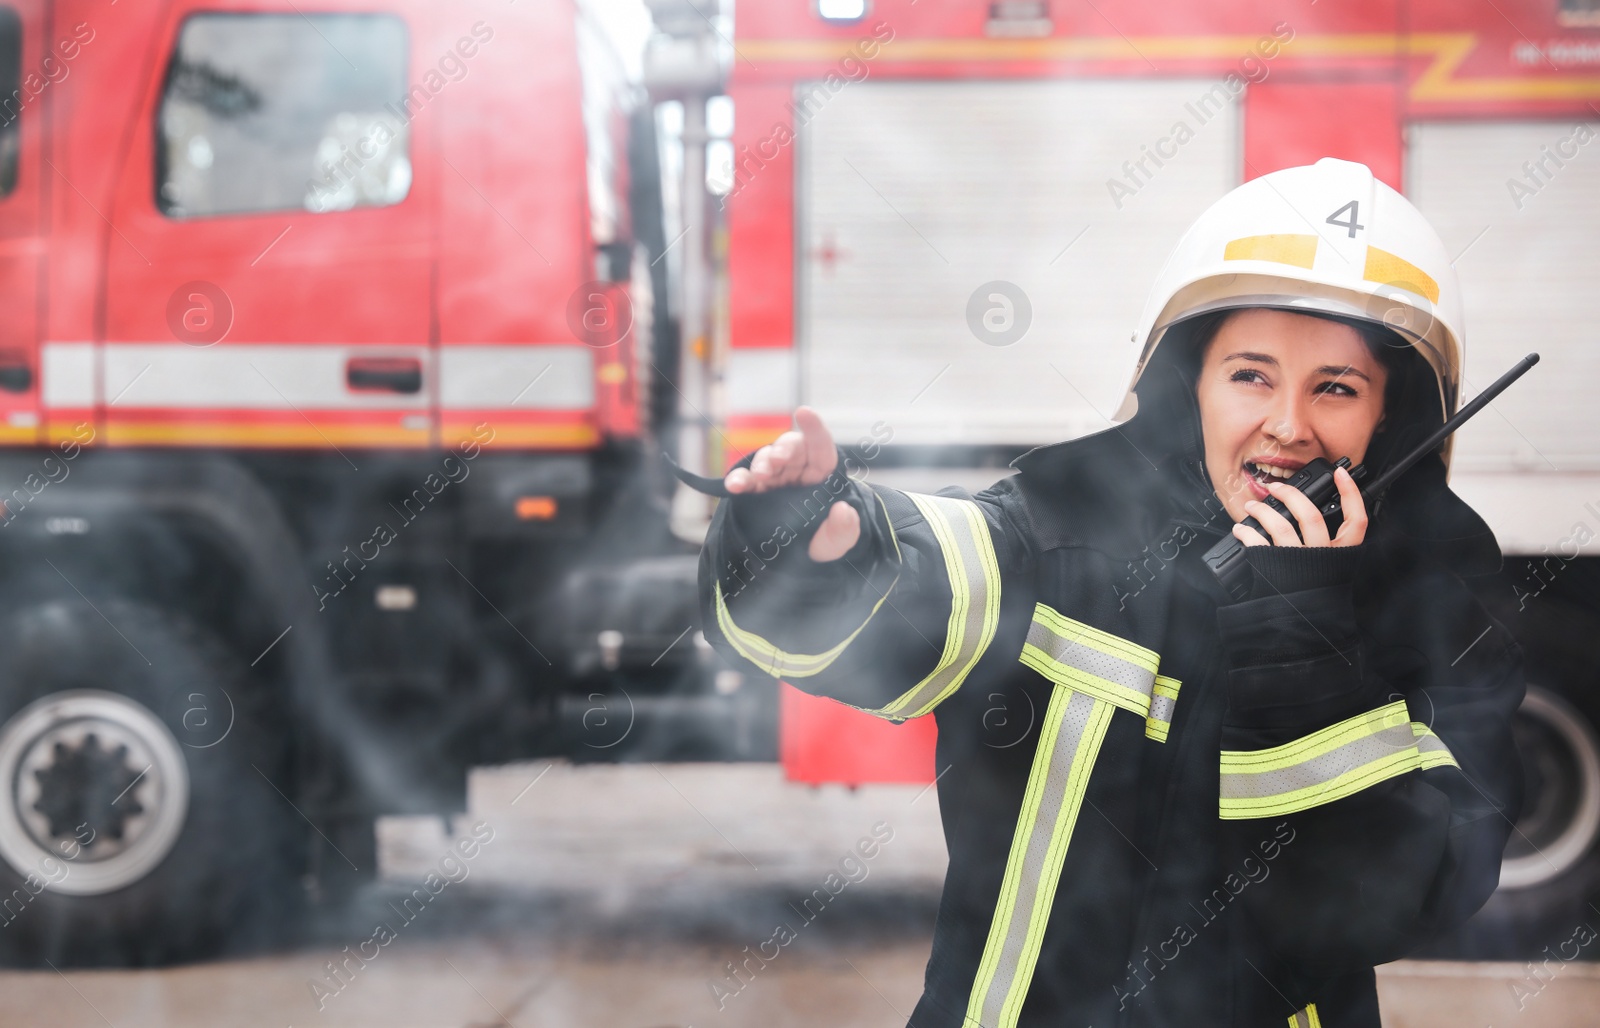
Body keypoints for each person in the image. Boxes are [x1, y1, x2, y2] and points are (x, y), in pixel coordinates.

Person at [695, 159, 1524, 1027]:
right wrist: (820, 541)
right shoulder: (1059, 531)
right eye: (1251, 374)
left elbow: (1421, 891)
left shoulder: (1433, 596)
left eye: (1337, 388)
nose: (1288, 424)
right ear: (1188, 384)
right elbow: (911, 588)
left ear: (1390, 417)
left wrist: (1302, 644)